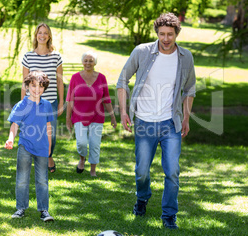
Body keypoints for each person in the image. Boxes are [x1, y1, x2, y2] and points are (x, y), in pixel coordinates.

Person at [116, 13, 196, 229]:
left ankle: (169, 215)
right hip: (144, 121)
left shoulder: (185, 57)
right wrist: (124, 111)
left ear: (177, 33)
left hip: (171, 123)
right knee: (142, 170)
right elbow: (122, 80)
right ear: (157, 33)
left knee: (172, 171)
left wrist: (186, 116)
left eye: (170, 34)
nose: (166, 39)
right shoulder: (142, 51)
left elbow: (189, 88)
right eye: (162, 34)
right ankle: (142, 198)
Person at [6, 71, 54, 222]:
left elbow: (48, 127)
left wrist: (49, 149)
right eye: (33, 85)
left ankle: (44, 210)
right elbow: (14, 125)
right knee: (22, 179)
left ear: (44, 88)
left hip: (42, 148)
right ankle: (20, 208)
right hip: (25, 146)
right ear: (27, 86)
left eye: (40, 86)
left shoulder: (46, 105)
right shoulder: (21, 105)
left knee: (42, 180)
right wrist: (10, 139)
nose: (36, 89)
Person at [21, 23, 64, 173]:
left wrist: (61, 102)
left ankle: (49, 156)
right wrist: (23, 103)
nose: (42, 35)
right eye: (40, 32)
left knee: (50, 135)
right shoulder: (28, 56)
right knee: (33, 132)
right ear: (36, 35)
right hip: (32, 102)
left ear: (49, 36)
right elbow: (24, 82)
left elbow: (60, 81)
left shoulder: (56, 57)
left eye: (45, 33)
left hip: (50, 102)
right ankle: (39, 160)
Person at [66, 51, 117, 177]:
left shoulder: (101, 78)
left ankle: (93, 169)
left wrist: (112, 116)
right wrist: (68, 118)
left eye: (91, 60)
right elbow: (70, 99)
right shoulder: (75, 78)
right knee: (81, 143)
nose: (88, 63)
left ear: (95, 62)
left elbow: (107, 99)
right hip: (79, 116)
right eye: (86, 60)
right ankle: (82, 159)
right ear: (82, 62)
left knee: (95, 144)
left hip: (97, 116)